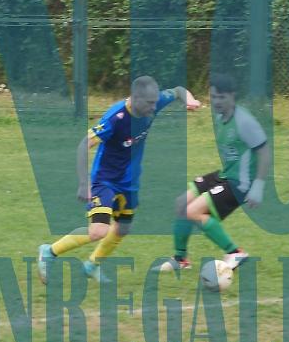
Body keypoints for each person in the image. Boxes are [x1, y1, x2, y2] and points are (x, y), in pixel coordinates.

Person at [38, 76, 192, 283]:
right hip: (105, 181)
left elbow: (178, 89)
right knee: (98, 231)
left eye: (156, 102)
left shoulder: (152, 102)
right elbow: (84, 144)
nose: (154, 107)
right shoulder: (115, 118)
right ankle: (49, 252)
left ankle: (92, 265)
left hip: (130, 183)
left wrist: (190, 100)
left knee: (123, 228)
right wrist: (84, 183)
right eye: (150, 103)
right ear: (135, 98)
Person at [170, 73, 269, 270]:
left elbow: (264, 152)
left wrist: (258, 185)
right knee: (181, 203)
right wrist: (191, 102)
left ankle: (235, 252)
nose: (216, 101)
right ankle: (180, 260)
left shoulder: (244, 121)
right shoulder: (219, 115)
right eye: (213, 96)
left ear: (233, 96)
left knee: (193, 212)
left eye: (222, 97)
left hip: (241, 183)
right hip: (225, 175)